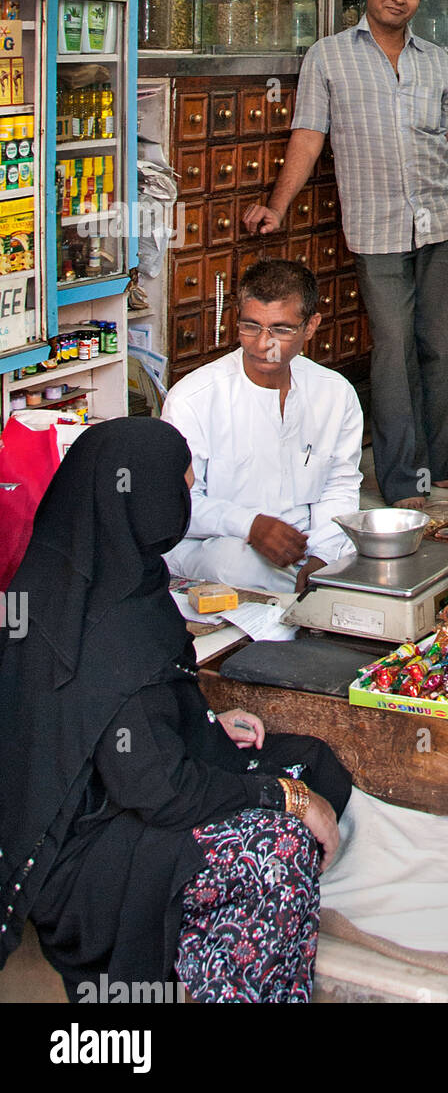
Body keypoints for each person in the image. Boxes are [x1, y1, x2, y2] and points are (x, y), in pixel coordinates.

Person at [0, 419, 352, 1003]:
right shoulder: (113, 633)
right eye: (182, 487)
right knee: (278, 845)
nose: (187, 499)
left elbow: (125, 722)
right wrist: (286, 800)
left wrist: (201, 722)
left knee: (310, 759)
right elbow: (158, 790)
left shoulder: (76, 574)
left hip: (116, 782)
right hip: (87, 853)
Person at [242, 0, 448, 510]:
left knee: (445, 347)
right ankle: (403, 481)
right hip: (378, 227)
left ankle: (438, 467)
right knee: (395, 350)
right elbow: (308, 137)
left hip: (444, 222)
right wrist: (277, 207)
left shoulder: (436, 61)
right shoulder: (328, 58)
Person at [162, 260, 363, 595]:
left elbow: (340, 485)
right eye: (251, 326)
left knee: (369, 555)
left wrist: (323, 555)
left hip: (305, 545)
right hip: (224, 543)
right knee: (232, 563)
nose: (263, 344)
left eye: (281, 330)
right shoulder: (193, 398)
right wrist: (250, 525)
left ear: (311, 326)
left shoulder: (335, 392)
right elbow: (179, 504)